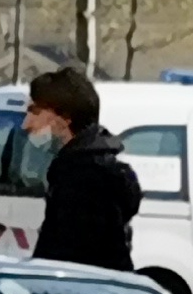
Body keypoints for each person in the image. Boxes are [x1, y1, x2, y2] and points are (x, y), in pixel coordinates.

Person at [24, 66, 141, 273]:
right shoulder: (84, 170)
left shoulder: (84, 180)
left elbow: (64, 261)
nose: (26, 124)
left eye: (35, 111)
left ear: (64, 117)